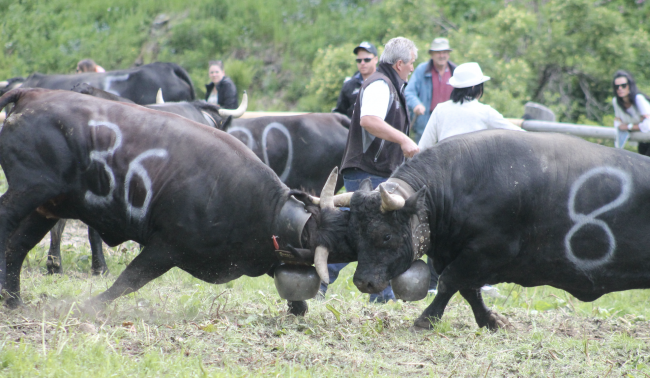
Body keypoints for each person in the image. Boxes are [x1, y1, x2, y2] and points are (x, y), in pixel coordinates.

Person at [325, 37, 419, 303]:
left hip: (373, 169)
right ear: (400, 63)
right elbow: (369, 121)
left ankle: (379, 298)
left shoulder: (389, 84)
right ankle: (321, 282)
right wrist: (403, 139)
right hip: (369, 170)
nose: (412, 68)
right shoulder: (381, 84)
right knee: (365, 234)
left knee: (370, 233)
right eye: (411, 63)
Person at [418, 62, 522, 151]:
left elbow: (423, 147)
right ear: (474, 87)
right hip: (474, 172)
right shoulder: (485, 112)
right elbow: (518, 134)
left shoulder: (440, 109)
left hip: (444, 170)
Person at [405, 38, 456, 143]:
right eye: (438, 52)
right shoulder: (421, 70)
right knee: (424, 156)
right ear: (432, 54)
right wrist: (416, 105)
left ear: (448, 54)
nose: (442, 55)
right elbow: (409, 92)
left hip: (450, 123)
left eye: (444, 52)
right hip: (426, 124)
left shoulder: (455, 71)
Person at [333, 42, 379, 118]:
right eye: (359, 60)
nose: (362, 63)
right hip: (354, 128)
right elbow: (340, 113)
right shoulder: (349, 85)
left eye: (367, 60)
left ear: (376, 59)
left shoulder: (385, 81)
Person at [611, 70, 650, 152]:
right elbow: (618, 123)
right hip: (642, 141)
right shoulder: (616, 101)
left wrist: (628, 126)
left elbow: (647, 125)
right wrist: (638, 125)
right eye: (616, 86)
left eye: (623, 85)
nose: (620, 88)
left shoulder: (638, 99)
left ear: (630, 86)